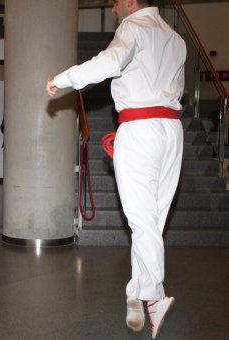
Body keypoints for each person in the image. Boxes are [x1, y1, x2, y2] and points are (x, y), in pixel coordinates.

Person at [46, 0, 185, 338]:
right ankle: (136, 293)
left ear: (128, 1)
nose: (111, 7)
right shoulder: (175, 38)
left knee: (141, 220)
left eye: (114, 2)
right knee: (152, 220)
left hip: (140, 130)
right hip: (171, 131)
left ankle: (152, 297)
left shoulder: (133, 27)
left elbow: (110, 61)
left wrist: (63, 79)